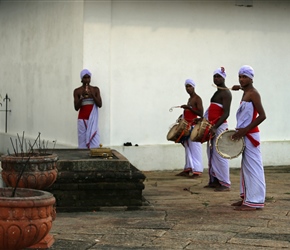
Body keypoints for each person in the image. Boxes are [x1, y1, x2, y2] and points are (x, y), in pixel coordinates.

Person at [231, 65, 266, 211]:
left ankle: (255, 200)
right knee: (246, 167)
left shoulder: (253, 93)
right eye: (240, 76)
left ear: (251, 78)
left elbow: (262, 116)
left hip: (250, 134)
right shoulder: (245, 92)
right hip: (244, 133)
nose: (241, 79)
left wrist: (245, 130)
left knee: (254, 167)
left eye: (244, 76)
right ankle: (246, 197)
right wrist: (238, 87)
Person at [204, 67, 232, 191]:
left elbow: (226, 113)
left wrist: (215, 127)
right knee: (211, 154)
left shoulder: (225, 93)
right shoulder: (217, 92)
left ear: (224, 78)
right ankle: (214, 180)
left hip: (219, 127)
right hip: (212, 126)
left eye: (219, 76)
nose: (216, 79)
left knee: (220, 155)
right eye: (215, 76)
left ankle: (225, 182)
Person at [176, 79, 204, 178]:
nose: (188, 88)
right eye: (186, 87)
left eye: (189, 86)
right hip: (187, 126)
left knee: (195, 148)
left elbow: (201, 114)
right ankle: (188, 168)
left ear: (193, 87)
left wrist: (189, 108)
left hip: (193, 126)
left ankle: (197, 170)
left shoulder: (197, 98)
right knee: (188, 148)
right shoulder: (190, 99)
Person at [73, 69, 102, 149]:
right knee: (82, 142)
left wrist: (93, 95)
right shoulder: (77, 91)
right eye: (85, 78)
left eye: (88, 77)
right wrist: (81, 97)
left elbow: (100, 104)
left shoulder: (95, 89)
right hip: (82, 119)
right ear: (81, 79)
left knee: (95, 142)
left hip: (93, 119)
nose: (87, 80)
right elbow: (76, 108)